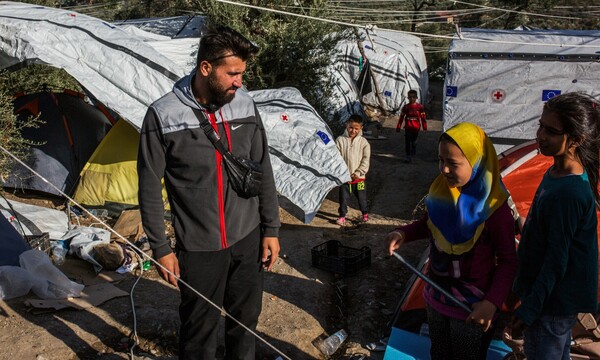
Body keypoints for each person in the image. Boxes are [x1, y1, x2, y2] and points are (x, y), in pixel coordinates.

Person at [137, 25, 281, 360]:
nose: (239, 83)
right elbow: (148, 186)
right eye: (232, 74)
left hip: (247, 239)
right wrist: (161, 248)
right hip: (199, 248)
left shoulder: (244, 105)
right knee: (198, 334)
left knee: (245, 323)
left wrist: (270, 229)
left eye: (242, 74)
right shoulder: (162, 115)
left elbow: (264, 168)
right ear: (206, 68)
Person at [386, 122, 517, 360]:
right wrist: (403, 234)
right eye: (440, 160)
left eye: (453, 163)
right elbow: (429, 224)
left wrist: (492, 303)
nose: (444, 170)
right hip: (436, 298)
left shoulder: (495, 211)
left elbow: (508, 262)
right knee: (440, 352)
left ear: (477, 162)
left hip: (472, 308)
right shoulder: (442, 193)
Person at [509, 92, 600, 360]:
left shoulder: (570, 192)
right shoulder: (555, 172)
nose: (541, 135)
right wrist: (528, 227)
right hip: (549, 297)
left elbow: (557, 259)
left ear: (576, 140)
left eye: (551, 131)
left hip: (550, 303)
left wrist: (529, 310)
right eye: (540, 125)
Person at [335, 114, 371, 226]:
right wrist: (344, 173)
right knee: (343, 199)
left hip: (359, 179)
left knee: (362, 198)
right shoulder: (340, 140)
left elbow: (366, 160)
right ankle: (342, 216)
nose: (353, 130)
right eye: (351, 127)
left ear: (361, 128)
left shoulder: (364, 142)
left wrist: (358, 173)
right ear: (347, 125)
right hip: (344, 179)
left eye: (356, 128)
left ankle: (365, 214)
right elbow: (337, 158)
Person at [396, 89, 427, 163]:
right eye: (410, 97)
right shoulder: (406, 107)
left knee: (414, 141)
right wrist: (398, 126)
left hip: (416, 127)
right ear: (408, 98)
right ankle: (408, 156)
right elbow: (401, 117)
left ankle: (414, 148)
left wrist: (425, 127)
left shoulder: (420, 107)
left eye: (413, 97)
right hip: (408, 127)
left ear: (416, 97)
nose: (412, 98)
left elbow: (423, 118)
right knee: (407, 141)